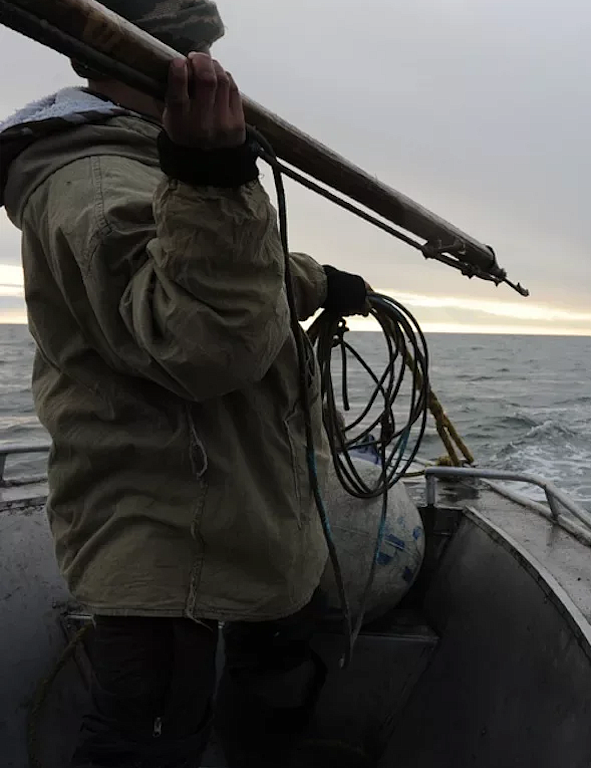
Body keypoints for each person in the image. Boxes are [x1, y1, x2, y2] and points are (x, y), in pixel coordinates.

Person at [0, 1, 371, 765]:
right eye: (197, 50)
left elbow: (226, 277)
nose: (216, 70)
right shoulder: (94, 178)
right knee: (149, 741)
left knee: (275, 687)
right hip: (167, 540)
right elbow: (200, 342)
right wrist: (210, 177)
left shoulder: (144, 157)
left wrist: (317, 280)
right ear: (155, 62)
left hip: (241, 519)